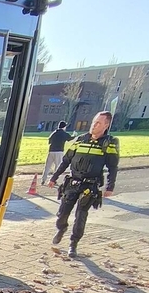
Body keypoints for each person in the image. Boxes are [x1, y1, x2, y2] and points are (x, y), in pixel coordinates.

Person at [47, 111, 119, 258]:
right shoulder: (80, 140)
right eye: (94, 122)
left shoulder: (109, 143)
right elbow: (66, 161)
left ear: (106, 125)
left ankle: (73, 244)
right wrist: (54, 177)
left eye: (98, 123)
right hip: (73, 182)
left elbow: (113, 167)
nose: (94, 125)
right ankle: (61, 228)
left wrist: (110, 186)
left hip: (90, 186)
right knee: (62, 213)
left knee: (81, 215)